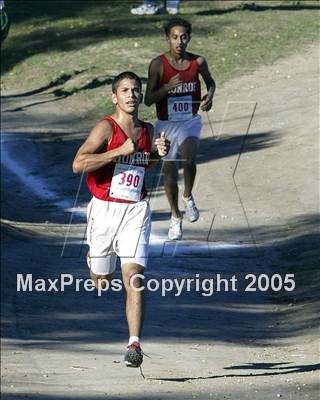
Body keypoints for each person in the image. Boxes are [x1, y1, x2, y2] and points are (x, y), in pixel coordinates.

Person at [72, 71, 169, 367]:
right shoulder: (106, 127)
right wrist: (117, 151)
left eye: (135, 90)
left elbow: (143, 165)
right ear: (115, 97)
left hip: (136, 209)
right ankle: (95, 258)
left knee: (134, 278)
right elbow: (79, 164)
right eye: (125, 90)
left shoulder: (146, 130)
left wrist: (158, 155)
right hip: (104, 209)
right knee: (102, 281)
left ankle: (133, 344)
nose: (131, 95)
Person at [144, 17, 216, 240]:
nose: (179, 42)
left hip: (190, 121)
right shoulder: (158, 64)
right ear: (168, 39)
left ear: (189, 38)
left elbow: (211, 83)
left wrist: (210, 97)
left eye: (183, 37)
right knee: (169, 175)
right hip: (166, 124)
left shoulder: (198, 62)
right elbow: (148, 100)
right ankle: (175, 216)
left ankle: (188, 195)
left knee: (189, 160)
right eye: (174, 37)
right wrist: (167, 87)